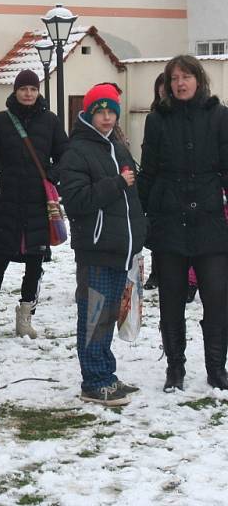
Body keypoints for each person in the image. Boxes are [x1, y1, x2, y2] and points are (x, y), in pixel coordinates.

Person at [138, 55, 228, 392]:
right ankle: (175, 368)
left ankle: (216, 368)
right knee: (171, 299)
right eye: (174, 78)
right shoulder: (158, 119)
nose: (180, 83)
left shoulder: (219, 116)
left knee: (218, 299)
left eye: (186, 76)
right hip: (169, 221)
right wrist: (141, 216)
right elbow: (148, 171)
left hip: (210, 220)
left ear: (198, 79)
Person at [59, 83, 147, 406]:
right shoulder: (77, 151)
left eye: (112, 112)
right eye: (101, 112)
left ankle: (106, 374)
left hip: (120, 248)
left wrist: (140, 233)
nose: (107, 118)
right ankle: (94, 381)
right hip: (96, 249)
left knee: (109, 314)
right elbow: (78, 200)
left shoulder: (118, 146)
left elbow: (132, 199)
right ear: (89, 113)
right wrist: (115, 184)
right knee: (94, 315)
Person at [0, 69, 69, 338]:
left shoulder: (51, 121)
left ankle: (25, 318)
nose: (29, 93)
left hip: (37, 202)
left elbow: (65, 155)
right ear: (15, 90)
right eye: (24, 89)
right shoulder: (1, 120)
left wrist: (52, 176)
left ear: (38, 91)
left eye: (33, 89)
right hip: (8, 199)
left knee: (35, 262)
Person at [143, 73, 165, 291]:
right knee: (157, 234)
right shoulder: (154, 115)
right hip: (157, 182)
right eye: (161, 86)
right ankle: (155, 272)